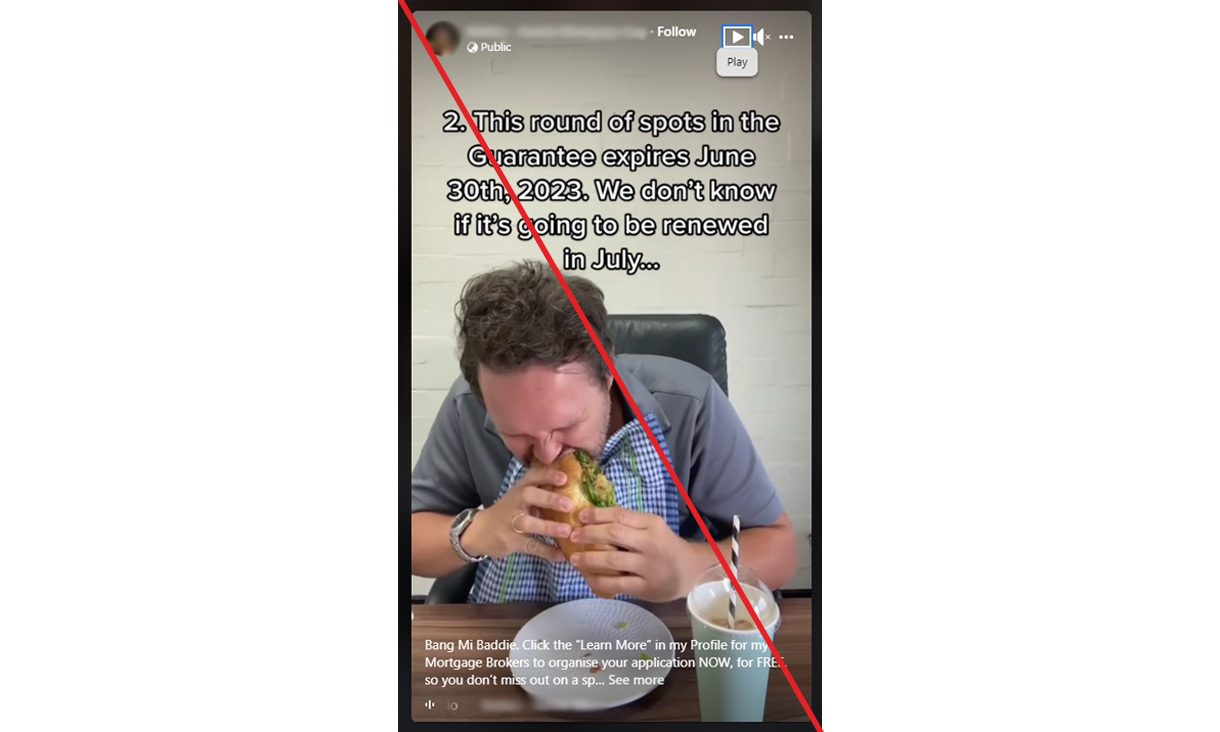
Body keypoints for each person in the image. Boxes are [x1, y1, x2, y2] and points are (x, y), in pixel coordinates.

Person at [411, 260, 798, 603]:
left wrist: (690, 567)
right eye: (516, 434)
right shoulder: (468, 403)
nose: (547, 455)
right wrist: (477, 532)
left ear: (609, 374)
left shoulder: (690, 403)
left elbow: (780, 548)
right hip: (521, 638)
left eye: (568, 425)